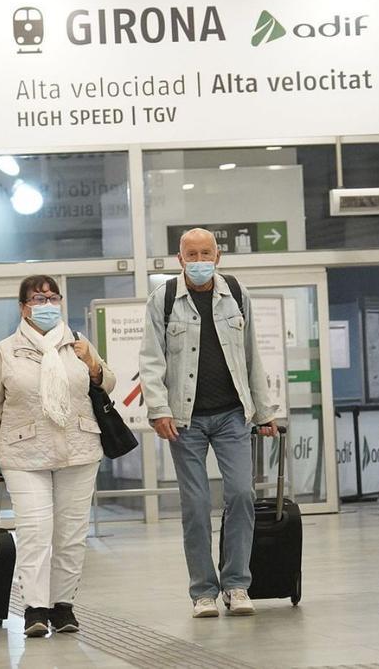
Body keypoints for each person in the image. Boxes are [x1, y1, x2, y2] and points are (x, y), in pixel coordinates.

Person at [139, 228, 278, 619]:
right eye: (191, 254)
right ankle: (203, 591)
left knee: (241, 495)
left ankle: (236, 585)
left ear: (218, 257)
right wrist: (159, 409)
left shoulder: (235, 292)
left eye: (206, 253)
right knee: (196, 505)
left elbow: (252, 355)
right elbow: (151, 361)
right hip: (185, 421)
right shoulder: (163, 299)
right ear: (179, 259)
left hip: (233, 414)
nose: (199, 260)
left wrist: (264, 412)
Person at [0, 275, 115, 638]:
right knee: (36, 531)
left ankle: (63, 605)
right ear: (23, 306)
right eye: (38, 299)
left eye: (53, 297)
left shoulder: (78, 344)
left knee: (70, 533)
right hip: (24, 451)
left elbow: (108, 382)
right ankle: (35, 609)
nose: (47, 304)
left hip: (79, 447)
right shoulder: (6, 350)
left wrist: (94, 365)